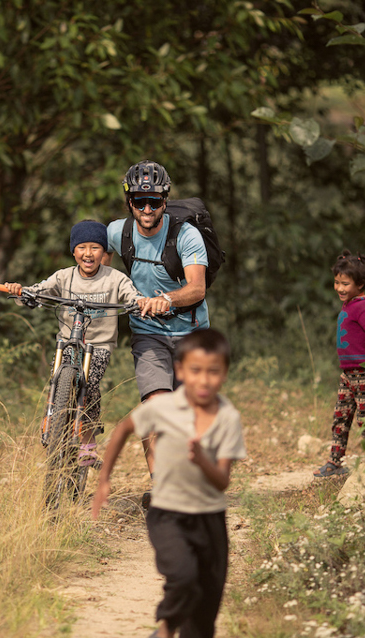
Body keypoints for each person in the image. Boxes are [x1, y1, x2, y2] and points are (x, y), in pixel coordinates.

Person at [92, 328, 245, 638]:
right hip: (168, 515)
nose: (204, 380)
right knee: (184, 577)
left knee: (207, 610)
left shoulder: (228, 417)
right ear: (179, 371)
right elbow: (123, 430)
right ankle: (164, 629)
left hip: (210, 520)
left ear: (225, 373)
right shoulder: (162, 408)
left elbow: (222, 482)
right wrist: (104, 480)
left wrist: (203, 460)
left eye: (213, 372)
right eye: (195, 371)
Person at [104, 160, 210, 503]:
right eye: (139, 201)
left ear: (165, 200)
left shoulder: (186, 234)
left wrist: (167, 299)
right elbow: (98, 276)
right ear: (129, 202)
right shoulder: (116, 233)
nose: (147, 208)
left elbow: (197, 288)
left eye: (154, 201)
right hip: (147, 333)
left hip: (191, 333)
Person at [2, 220, 144, 467]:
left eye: (95, 248)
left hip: (98, 346)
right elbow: (38, 291)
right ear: (73, 251)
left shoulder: (115, 279)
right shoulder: (63, 277)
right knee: (58, 381)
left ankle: (88, 442)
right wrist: (20, 291)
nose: (88, 253)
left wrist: (140, 303)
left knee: (88, 387)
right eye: (82, 247)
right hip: (67, 343)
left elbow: (132, 295)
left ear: (104, 252)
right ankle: (53, 420)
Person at [313, 250, 365, 478]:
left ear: (361, 283)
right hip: (348, 374)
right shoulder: (350, 305)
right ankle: (335, 462)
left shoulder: (363, 307)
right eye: (336, 282)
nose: (339, 288)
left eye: (345, 283)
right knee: (341, 416)